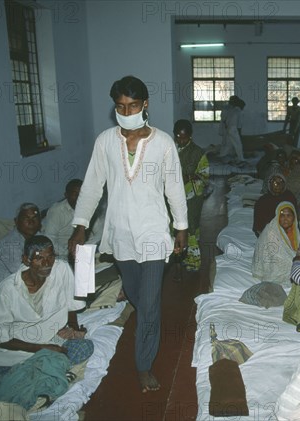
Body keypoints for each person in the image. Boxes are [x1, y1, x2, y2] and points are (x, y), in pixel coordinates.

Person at [68, 75, 188, 394]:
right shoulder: (106, 141)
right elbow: (93, 186)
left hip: (153, 234)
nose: (127, 110)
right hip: (120, 234)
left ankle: (143, 365)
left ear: (145, 104)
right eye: (120, 106)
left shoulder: (162, 143)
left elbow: (174, 187)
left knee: (149, 306)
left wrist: (181, 228)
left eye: (133, 105)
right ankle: (135, 303)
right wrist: (80, 225)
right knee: (136, 294)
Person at [0, 235, 92, 392]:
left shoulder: (61, 269)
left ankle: (26, 371)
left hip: (51, 337)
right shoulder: (8, 289)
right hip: (19, 344)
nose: (46, 263)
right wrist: (42, 348)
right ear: (26, 260)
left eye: (50, 257)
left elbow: (70, 303)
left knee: (85, 347)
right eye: (39, 258)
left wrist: (74, 329)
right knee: (10, 360)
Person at [0, 203, 42, 311]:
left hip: (25, 290)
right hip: (3, 300)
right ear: (16, 221)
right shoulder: (9, 244)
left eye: (35, 218)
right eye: (26, 218)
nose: (31, 222)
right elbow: (25, 277)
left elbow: (54, 258)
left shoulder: (40, 237)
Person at [173, 119, 209, 273]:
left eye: (184, 137)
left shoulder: (198, 153)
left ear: (190, 136)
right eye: (179, 137)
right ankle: (177, 255)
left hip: (192, 196)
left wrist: (190, 178)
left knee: (190, 226)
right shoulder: (171, 149)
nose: (181, 140)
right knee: (175, 225)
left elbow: (204, 174)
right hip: (173, 195)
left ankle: (193, 260)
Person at [252, 201, 300, 286]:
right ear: (277, 217)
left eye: (288, 215)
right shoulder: (271, 231)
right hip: (272, 263)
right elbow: (278, 256)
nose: (285, 219)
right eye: (282, 215)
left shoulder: (294, 231)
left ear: (294, 217)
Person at [42, 179, 83, 260]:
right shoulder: (56, 211)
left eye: (82, 194)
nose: (79, 198)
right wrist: (68, 253)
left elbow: (99, 232)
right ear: (66, 195)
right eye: (75, 194)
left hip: (81, 252)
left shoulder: (89, 209)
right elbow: (49, 240)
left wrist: (86, 249)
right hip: (61, 253)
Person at [252, 170, 298, 237]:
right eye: (274, 182)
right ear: (270, 184)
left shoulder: (289, 198)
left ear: (284, 184)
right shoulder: (262, 201)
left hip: (288, 234)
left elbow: (295, 221)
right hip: (268, 235)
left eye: (280, 182)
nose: (277, 185)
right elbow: (258, 226)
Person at [220, 96, 245, 163]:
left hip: (228, 128)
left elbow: (224, 120)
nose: (243, 108)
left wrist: (226, 128)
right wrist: (239, 134)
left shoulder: (230, 109)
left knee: (228, 144)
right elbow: (239, 124)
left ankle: (222, 155)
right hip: (233, 129)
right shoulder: (238, 111)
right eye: (243, 107)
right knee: (238, 144)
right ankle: (241, 159)